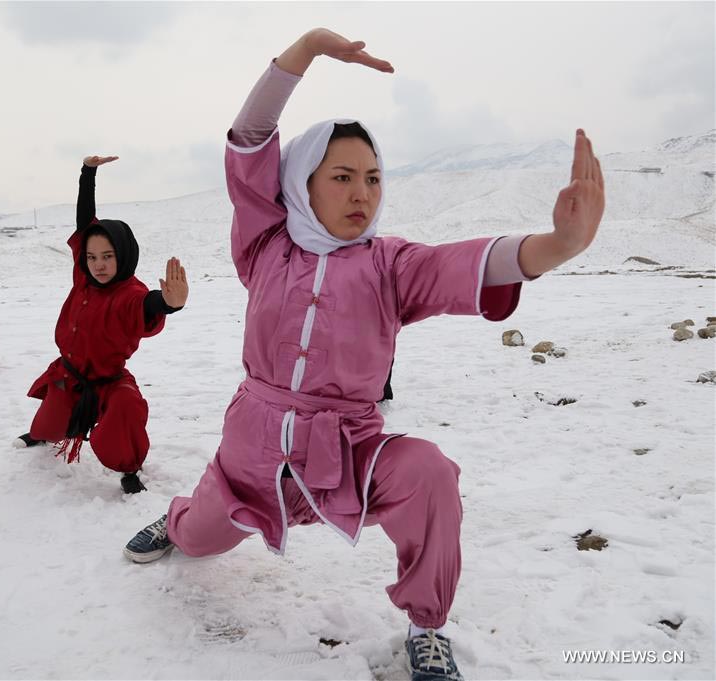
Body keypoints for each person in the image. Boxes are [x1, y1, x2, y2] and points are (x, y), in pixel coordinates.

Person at [124, 28, 604, 681]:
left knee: (430, 472)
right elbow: (249, 141)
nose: (362, 194)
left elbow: (466, 263)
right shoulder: (264, 245)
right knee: (198, 537)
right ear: (302, 183)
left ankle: (428, 626)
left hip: (348, 454)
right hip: (251, 458)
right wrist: (307, 50)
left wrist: (558, 245)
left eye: (374, 179)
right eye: (343, 176)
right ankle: (177, 517)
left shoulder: (391, 265)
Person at [15, 156, 189, 495]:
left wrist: (170, 303)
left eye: (108, 256)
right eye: (93, 257)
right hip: (69, 375)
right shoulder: (84, 274)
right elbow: (84, 222)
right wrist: (87, 174)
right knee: (47, 427)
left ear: (122, 254)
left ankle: (128, 466)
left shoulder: (130, 293)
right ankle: (42, 434)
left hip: (108, 382)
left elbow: (149, 304)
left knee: (125, 411)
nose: (99, 264)